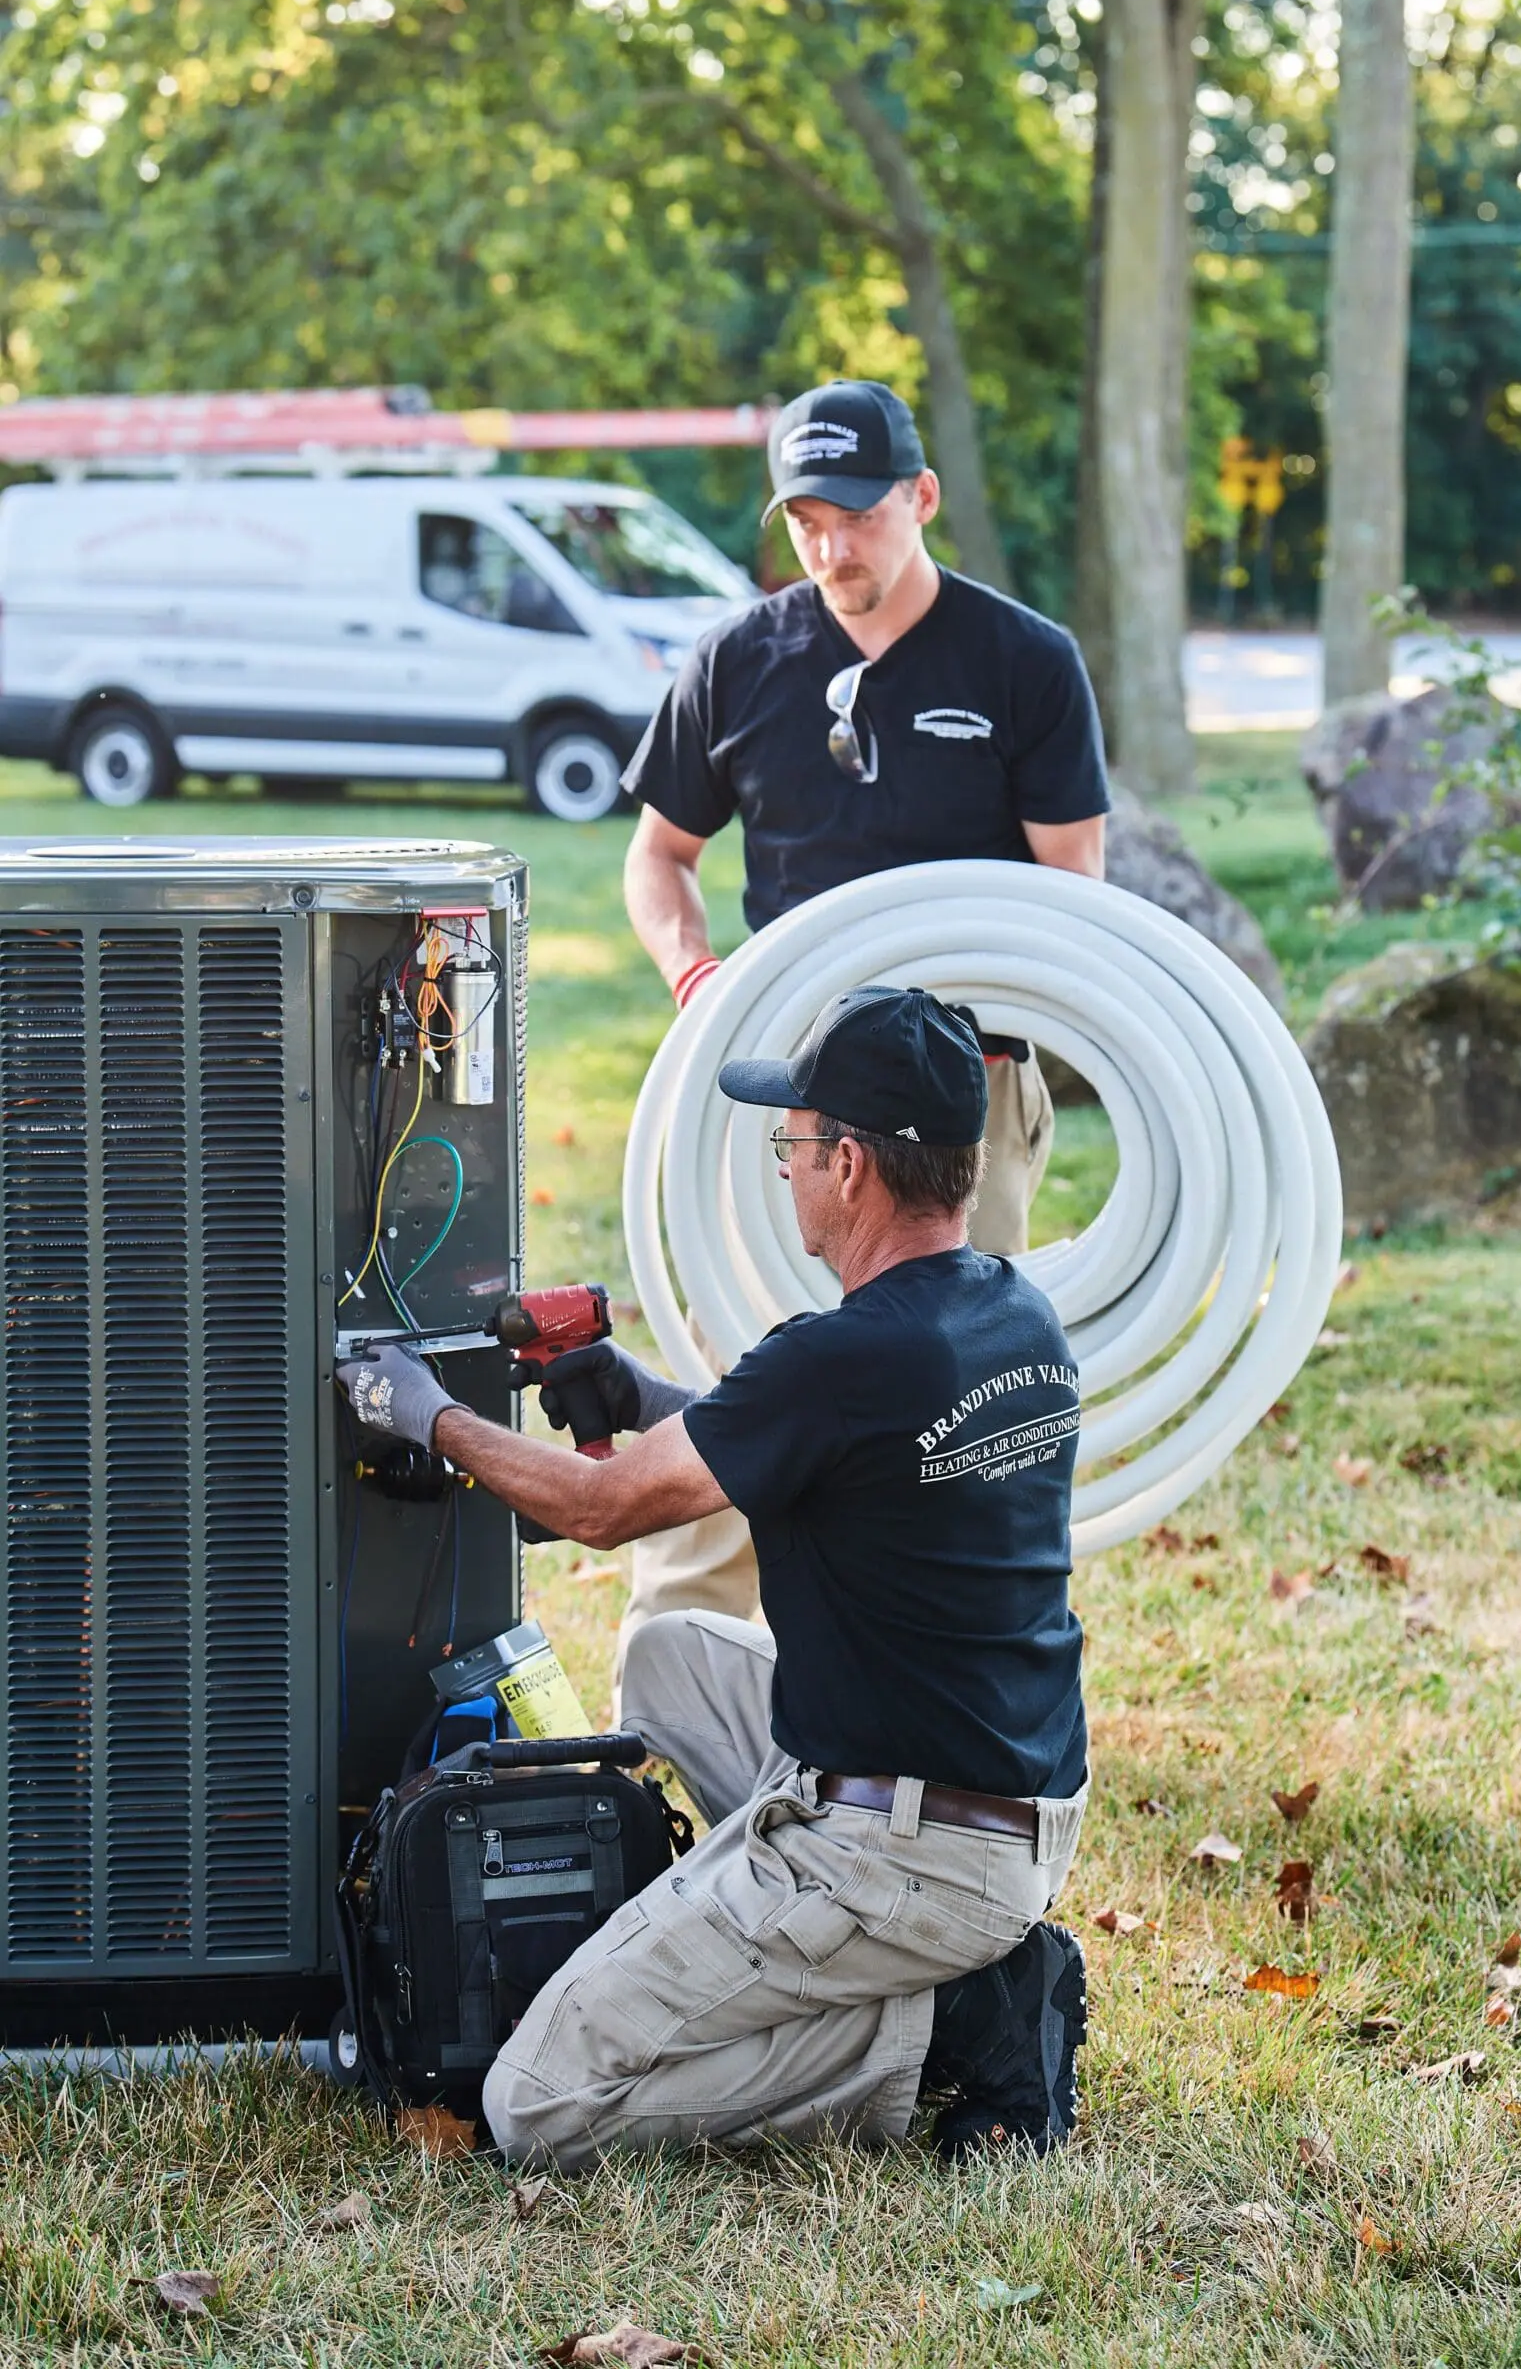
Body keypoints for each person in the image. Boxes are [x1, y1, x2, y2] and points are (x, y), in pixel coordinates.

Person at [339, 985, 1089, 2171]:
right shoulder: (1013, 1316)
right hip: (1015, 1808)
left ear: (851, 1165)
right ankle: (843, 1946)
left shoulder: (839, 1358)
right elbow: (824, 1450)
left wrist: (423, 1411)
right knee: (669, 1656)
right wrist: (638, 1396)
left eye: (792, 1144)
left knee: (538, 2100)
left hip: (901, 1849)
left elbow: (598, 1509)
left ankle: (951, 2021)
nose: (785, 1168)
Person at [617, 377, 1110, 1653]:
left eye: (858, 514)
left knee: (955, 1397)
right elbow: (657, 856)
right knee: (740, 1357)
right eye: (806, 520)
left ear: (922, 497)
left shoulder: (1023, 662)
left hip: (962, 1092)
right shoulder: (742, 658)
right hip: (792, 1085)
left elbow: (1076, 893)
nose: (832, 547)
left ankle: (943, 1672)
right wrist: (696, 975)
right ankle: (683, 1662)